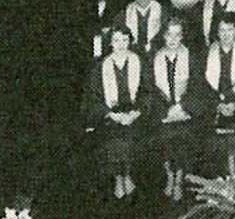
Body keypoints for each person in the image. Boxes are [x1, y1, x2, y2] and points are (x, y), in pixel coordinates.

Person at [147, 18, 203, 201]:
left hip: (185, 109)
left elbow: (197, 86)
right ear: (163, 36)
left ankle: (179, 178)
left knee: (183, 135)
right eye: (169, 34)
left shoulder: (191, 57)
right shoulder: (154, 57)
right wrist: (166, 111)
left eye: (177, 34)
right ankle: (169, 175)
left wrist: (182, 106)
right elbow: (151, 89)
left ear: (182, 36)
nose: (173, 39)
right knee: (164, 135)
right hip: (162, 110)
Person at [85, 27, 144, 200]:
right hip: (111, 114)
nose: (121, 45)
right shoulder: (100, 67)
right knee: (114, 135)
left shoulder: (139, 62)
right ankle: (122, 177)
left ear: (130, 42)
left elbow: (147, 92)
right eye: (117, 40)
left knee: (130, 135)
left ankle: (125, 176)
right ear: (110, 43)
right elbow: (94, 99)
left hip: (135, 113)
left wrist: (136, 113)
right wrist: (111, 114)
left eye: (125, 40)